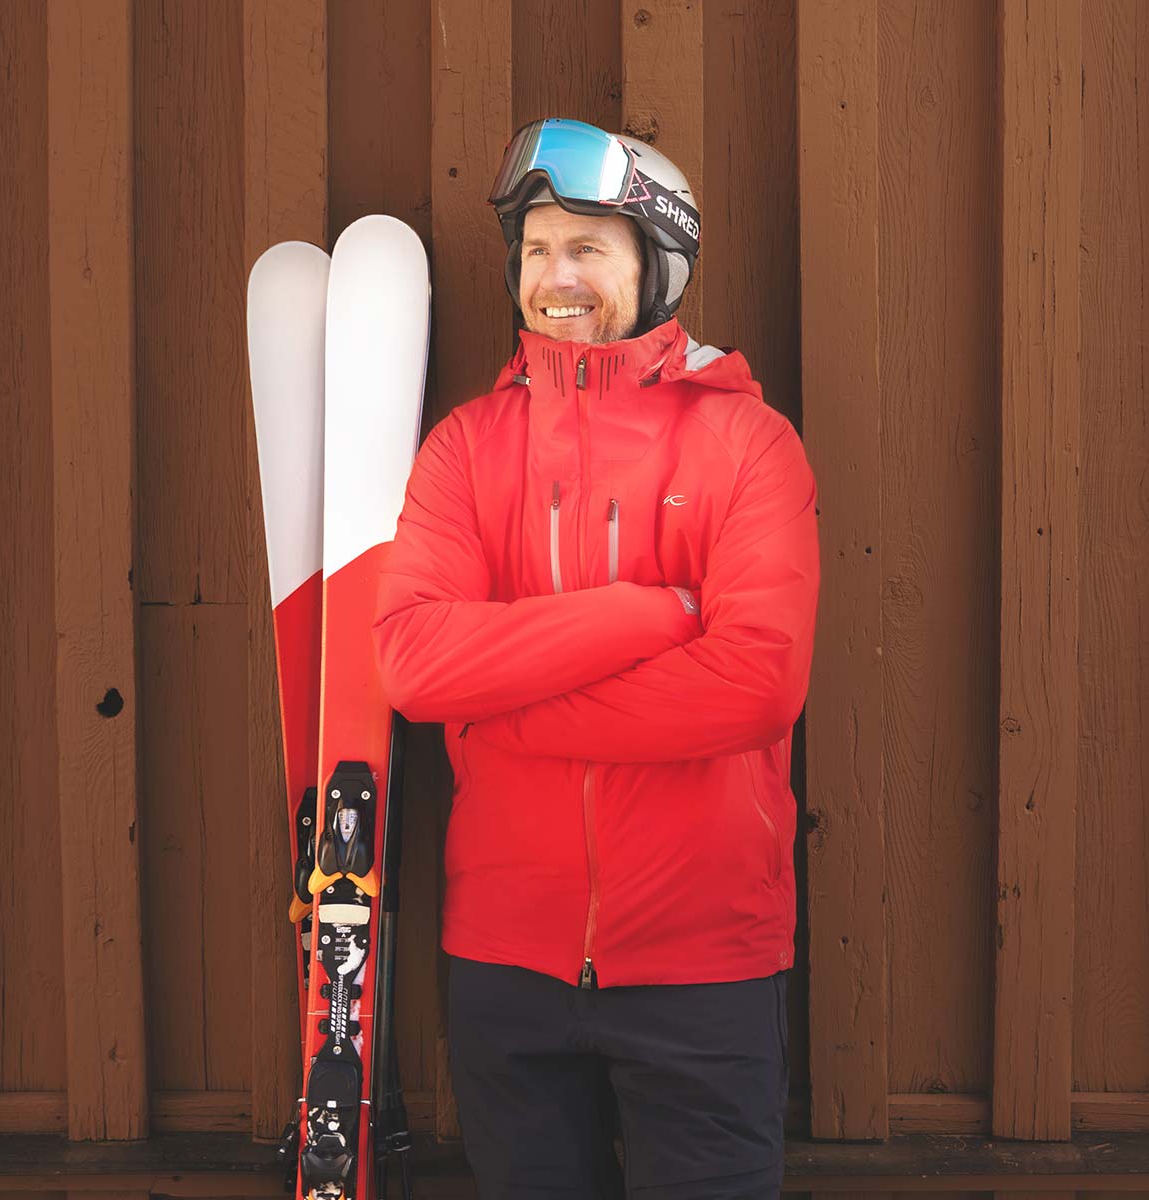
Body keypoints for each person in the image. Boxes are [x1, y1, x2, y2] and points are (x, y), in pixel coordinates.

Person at [372, 117, 818, 1200]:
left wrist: (503, 712)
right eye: (535, 251)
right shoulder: (467, 448)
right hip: (505, 963)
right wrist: (647, 613)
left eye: (587, 249)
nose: (553, 277)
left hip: (703, 965)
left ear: (655, 266)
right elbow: (418, 665)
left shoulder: (748, 445)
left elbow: (756, 686)